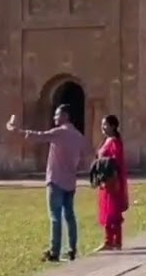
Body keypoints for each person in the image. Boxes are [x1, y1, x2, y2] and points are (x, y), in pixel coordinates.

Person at [8, 104, 90, 262]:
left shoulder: (59, 133)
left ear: (65, 116)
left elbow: (38, 136)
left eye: (57, 115)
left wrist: (16, 130)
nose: (54, 118)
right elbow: (85, 156)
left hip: (56, 180)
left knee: (55, 217)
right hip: (70, 181)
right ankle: (72, 249)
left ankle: (55, 251)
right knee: (70, 216)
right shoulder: (78, 136)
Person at [95, 114, 130, 251]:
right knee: (106, 210)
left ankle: (117, 241)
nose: (103, 127)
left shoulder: (114, 142)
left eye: (105, 124)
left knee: (113, 211)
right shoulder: (106, 141)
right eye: (102, 124)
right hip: (105, 181)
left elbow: (115, 161)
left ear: (113, 126)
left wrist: (112, 179)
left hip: (112, 180)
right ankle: (108, 240)